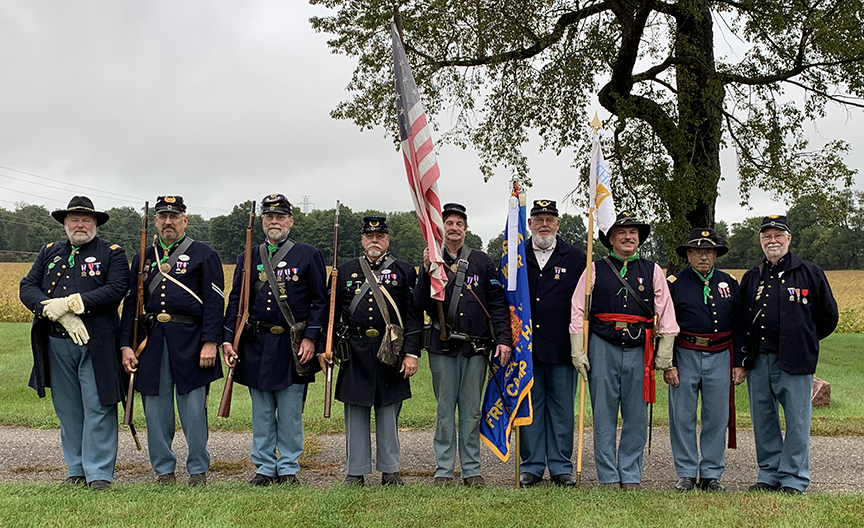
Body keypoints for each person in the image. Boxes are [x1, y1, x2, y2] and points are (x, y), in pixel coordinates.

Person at [20, 196, 128, 490]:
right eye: (74, 220)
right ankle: (77, 469)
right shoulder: (50, 252)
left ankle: (99, 473)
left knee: (98, 406)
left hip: (95, 343)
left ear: (95, 224)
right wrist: (47, 307)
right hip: (56, 341)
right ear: (65, 224)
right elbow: (27, 286)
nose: (80, 225)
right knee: (67, 409)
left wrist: (73, 304)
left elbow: (117, 288)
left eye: (86, 220)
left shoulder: (112, 253)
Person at [222, 193, 327, 486]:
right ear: (263, 223)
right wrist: (228, 338)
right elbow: (236, 302)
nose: (274, 221)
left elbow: (320, 302)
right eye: (269, 217)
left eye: (280, 217)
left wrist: (311, 339)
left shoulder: (308, 254)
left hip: (291, 345)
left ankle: (289, 466)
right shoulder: (248, 256)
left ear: (290, 221)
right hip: (256, 343)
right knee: (263, 410)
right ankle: (265, 466)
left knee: (291, 411)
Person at [568, 211, 678, 490]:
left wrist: (664, 353)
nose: (629, 237)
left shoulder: (652, 270)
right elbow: (578, 308)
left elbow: (665, 310)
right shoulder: (595, 268)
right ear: (611, 238)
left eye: (633, 233)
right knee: (603, 414)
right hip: (602, 346)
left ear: (639, 239)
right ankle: (607, 475)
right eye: (622, 233)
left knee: (636, 415)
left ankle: (629, 473)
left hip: (640, 350)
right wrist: (577, 349)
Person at [120, 195, 224, 486]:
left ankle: (197, 469)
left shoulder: (204, 254)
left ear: (185, 220)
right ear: (155, 220)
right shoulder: (143, 256)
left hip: (191, 340)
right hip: (151, 343)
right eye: (163, 216)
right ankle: (164, 469)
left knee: (193, 410)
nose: (168, 221)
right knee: (155, 410)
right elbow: (132, 304)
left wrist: (210, 341)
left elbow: (215, 303)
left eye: (174, 216)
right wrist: (127, 344)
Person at [735, 214, 838, 494]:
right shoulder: (752, 276)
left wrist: (804, 339)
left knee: (797, 421)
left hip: (795, 360)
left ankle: (793, 478)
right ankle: (768, 474)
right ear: (760, 241)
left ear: (789, 239)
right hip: (759, 360)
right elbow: (742, 321)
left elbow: (828, 317)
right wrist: (741, 360)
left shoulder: (809, 272)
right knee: (764, 420)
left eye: (778, 235)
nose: (772, 240)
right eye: (767, 236)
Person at [415, 202, 512, 487]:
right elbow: (419, 303)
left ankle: (472, 469)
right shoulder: (431, 259)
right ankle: (444, 470)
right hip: (441, 345)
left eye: (459, 223)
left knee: (471, 412)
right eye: (449, 223)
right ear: (441, 228)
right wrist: (425, 271)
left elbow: (497, 304)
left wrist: (503, 339)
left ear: (466, 229)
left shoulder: (482, 261)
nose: (454, 228)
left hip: (476, 348)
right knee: (445, 411)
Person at [323, 216, 421, 486]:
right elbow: (330, 314)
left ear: (388, 240)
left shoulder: (403, 271)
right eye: (369, 236)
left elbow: (413, 316)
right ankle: (355, 471)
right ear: (363, 241)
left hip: (390, 350)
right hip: (354, 350)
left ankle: (390, 470)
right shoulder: (344, 271)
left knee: (388, 410)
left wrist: (411, 353)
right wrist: (327, 347)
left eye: (380, 236)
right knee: (355, 412)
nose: (374, 240)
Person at [666, 228, 740, 492]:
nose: (703, 256)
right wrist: (669, 363)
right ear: (688, 254)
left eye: (708, 251)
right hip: (685, 354)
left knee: (716, 417)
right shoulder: (674, 283)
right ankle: (686, 472)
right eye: (697, 251)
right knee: (682, 417)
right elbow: (666, 326)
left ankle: (711, 473)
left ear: (715, 255)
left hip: (720, 355)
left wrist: (739, 362)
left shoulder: (729, 282)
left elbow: (739, 325)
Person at [518, 200, 586, 487]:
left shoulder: (576, 257)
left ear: (558, 224)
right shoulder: (516, 256)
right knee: (530, 407)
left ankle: (561, 465)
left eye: (550, 219)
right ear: (529, 224)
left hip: (561, 347)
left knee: (561, 408)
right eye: (538, 219)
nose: (544, 224)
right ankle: (531, 465)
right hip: (527, 348)